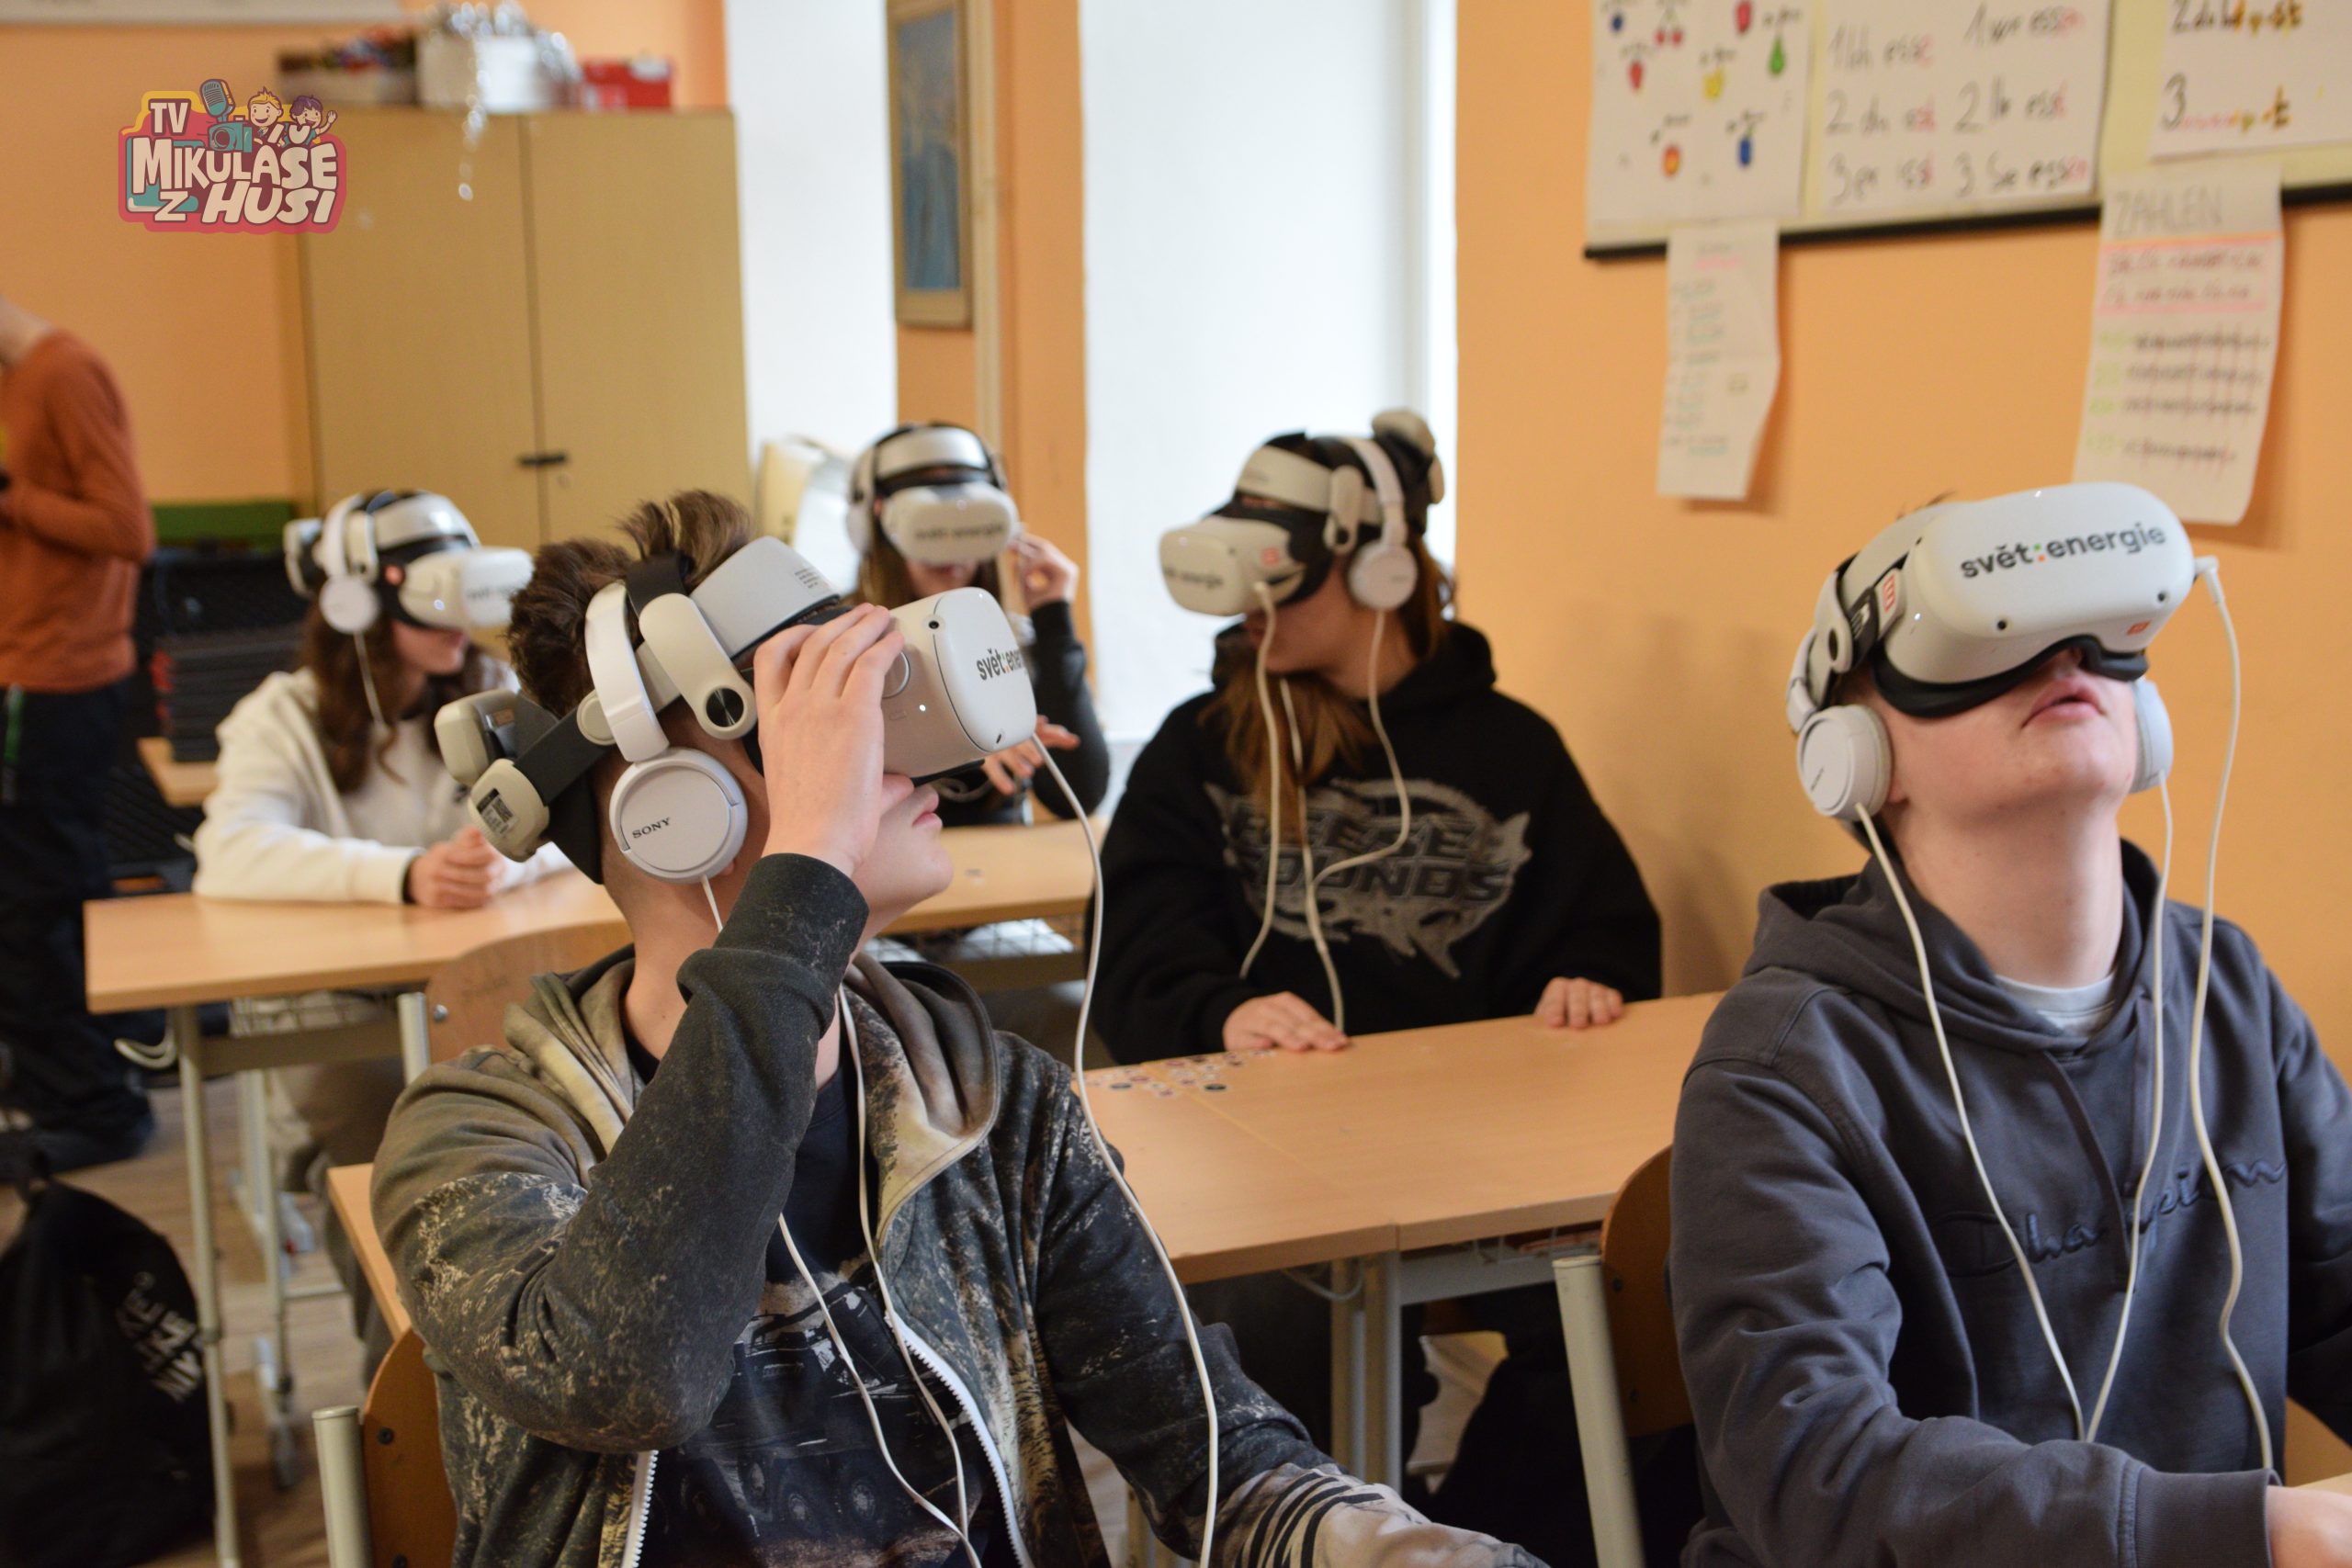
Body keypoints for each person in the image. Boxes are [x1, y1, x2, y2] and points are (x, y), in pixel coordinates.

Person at [370, 491, 1544, 1568]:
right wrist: (810, 867)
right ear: (678, 810)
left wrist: (1406, 1552)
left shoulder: (995, 1109)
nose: (927, 759)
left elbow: (1217, 1459)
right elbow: (634, 1378)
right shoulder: (473, 1142)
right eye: (833, 730)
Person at [1670, 485, 2352, 1568]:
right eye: (1978, 638)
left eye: (2093, 629)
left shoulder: (2225, 989)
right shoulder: (1784, 1070)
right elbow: (1815, 1470)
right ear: (1855, 752)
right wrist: (2247, 1531)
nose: (2061, 657)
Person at [1096, 412, 1662, 1563]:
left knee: (1638, 1323)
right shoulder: (1202, 746)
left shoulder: (1510, 749)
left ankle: (1476, 1542)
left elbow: (1607, 929)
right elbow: (1136, 946)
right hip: (1269, 1168)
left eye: (1282, 586)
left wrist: (1588, 983)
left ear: (1380, 572)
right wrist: (1219, 1008)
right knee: (1276, 1346)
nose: (1252, 618)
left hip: (1481, 1160)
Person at [196, 489, 559, 1357]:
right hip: (334, 1007)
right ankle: (400, 1377)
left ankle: (518, 1359)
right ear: (359, 603)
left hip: (477, 987)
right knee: (391, 1159)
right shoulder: (281, 715)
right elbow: (229, 852)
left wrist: (504, 860)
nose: (457, 625)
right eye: (432, 601)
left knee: (526, 1146)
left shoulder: (492, 693)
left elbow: (569, 809)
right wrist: (402, 875)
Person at [0, 289, 156, 1171]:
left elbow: (126, 528)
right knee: (48, 890)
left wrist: (12, 499)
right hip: (26, 669)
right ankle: (74, 1078)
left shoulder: (65, 372)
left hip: (57, 676)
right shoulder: (19, 381)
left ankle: (92, 1104)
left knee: (38, 900)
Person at [849, 421, 1109, 826]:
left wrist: (1053, 618)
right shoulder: (844, 642)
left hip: (995, 862)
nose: (952, 553)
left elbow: (1080, 792)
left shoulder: (1009, 642)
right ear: (879, 522)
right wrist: (965, 742)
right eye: (931, 528)